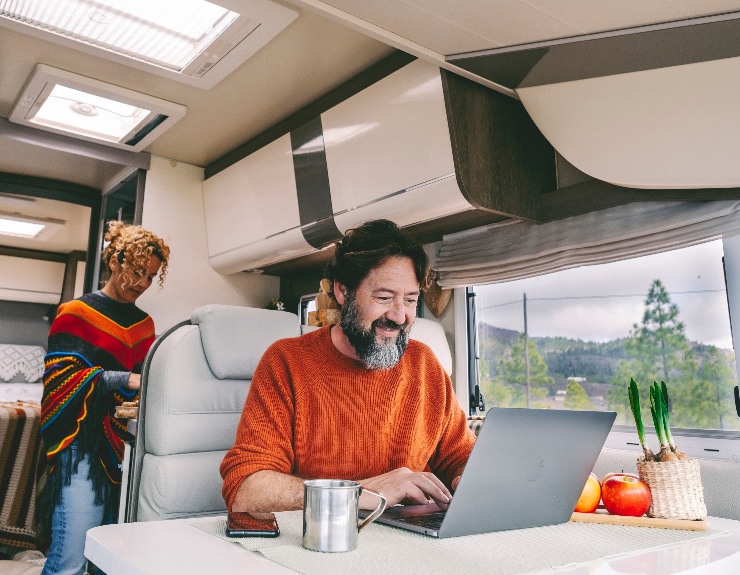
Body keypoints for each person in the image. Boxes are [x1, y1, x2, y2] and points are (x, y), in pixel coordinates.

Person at [220, 219, 475, 513]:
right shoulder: (286, 362)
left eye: (410, 300)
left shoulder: (425, 364)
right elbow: (247, 490)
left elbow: (461, 457)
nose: (398, 315)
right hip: (325, 541)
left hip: (411, 539)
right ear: (343, 292)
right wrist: (362, 493)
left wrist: (471, 477)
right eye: (384, 297)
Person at [38, 221, 170, 575]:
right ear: (115, 261)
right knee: (70, 560)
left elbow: (143, 384)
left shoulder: (144, 325)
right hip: (81, 447)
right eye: (137, 272)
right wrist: (124, 378)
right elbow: (60, 381)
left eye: (150, 276)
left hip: (124, 449)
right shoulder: (75, 313)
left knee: (108, 561)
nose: (142, 284)